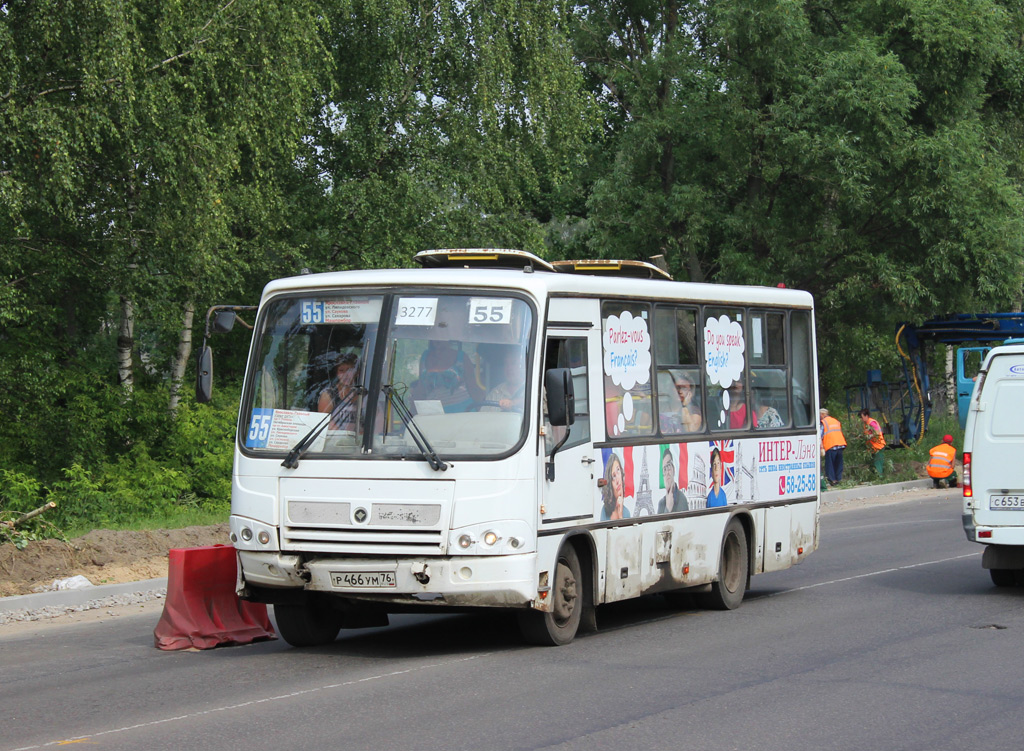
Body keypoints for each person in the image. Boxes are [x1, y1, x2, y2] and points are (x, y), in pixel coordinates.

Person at [413, 339, 474, 412]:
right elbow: (421, 388)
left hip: (461, 410)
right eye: (435, 335)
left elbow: (473, 387)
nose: (437, 338)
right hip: (433, 412)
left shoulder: (462, 357)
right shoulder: (425, 356)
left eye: (441, 335)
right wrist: (411, 413)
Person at [317, 352, 359, 431]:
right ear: (336, 373)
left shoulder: (363, 395)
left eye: (350, 370)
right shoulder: (328, 395)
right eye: (341, 370)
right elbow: (325, 424)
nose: (346, 375)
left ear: (357, 372)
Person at [482, 348, 525, 412]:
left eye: (513, 363)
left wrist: (514, 403)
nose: (509, 367)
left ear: (524, 366)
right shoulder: (495, 393)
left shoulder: (534, 389)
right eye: (506, 363)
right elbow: (482, 418)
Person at [601, 452, 633, 521]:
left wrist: (620, 515)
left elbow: (625, 531)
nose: (617, 480)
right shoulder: (604, 510)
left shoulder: (626, 512)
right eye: (613, 477)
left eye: (618, 470)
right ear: (610, 485)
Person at [819, 408, 847, 485]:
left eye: (819, 415)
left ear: (822, 414)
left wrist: (821, 447)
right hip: (840, 444)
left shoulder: (823, 422)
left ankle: (832, 480)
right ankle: (839, 479)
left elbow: (820, 436)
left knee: (830, 465)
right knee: (838, 464)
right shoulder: (835, 421)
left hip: (831, 445)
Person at [658, 448, 689, 514]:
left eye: (669, 466)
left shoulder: (682, 499)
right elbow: (660, 524)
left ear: (674, 470)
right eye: (664, 469)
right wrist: (668, 509)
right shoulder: (661, 503)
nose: (667, 473)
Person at [860, 408, 886, 476]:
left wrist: (870, 436)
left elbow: (876, 432)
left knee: (878, 463)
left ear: (866, 416)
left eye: (862, 417)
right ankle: (874, 476)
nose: (861, 419)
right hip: (872, 447)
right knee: (872, 463)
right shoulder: (866, 424)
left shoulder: (872, 422)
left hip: (878, 446)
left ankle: (880, 477)